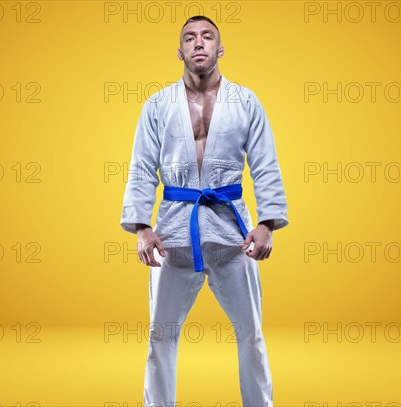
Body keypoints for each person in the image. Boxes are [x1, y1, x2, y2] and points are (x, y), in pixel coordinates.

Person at [120, 15, 288, 407]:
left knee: (251, 332)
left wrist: (267, 222)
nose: (199, 43)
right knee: (160, 335)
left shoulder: (245, 101)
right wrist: (142, 227)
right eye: (190, 38)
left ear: (220, 49)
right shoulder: (158, 104)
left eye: (207, 37)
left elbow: (265, 164)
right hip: (174, 231)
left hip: (234, 232)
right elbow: (143, 167)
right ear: (180, 51)